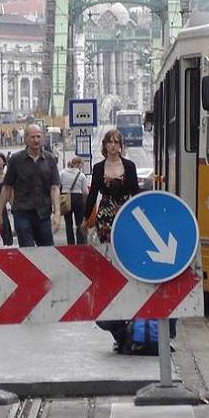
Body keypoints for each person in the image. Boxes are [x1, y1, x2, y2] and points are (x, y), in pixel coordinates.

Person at [85, 128, 141, 352]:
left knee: (126, 249)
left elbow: (136, 191)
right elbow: (93, 195)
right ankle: (111, 277)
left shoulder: (130, 166)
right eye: (110, 142)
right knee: (108, 252)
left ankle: (127, 274)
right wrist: (84, 218)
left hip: (126, 212)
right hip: (106, 214)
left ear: (121, 145)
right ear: (105, 145)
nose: (113, 146)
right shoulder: (98, 168)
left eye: (117, 142)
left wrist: (138, 215)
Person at [0, 124, 61, 246]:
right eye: (32, 137)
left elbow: (55, 187)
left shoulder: (50, 159)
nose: (36, 140)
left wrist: (57, 213)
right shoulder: (16, 160)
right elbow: (7, 187)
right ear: (25, 139)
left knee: (48, 252)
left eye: (38, 136)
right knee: (27, 250)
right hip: (22, 212)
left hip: (43, 213)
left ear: (42, 138)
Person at [59, 156, 89, 244]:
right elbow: (85, 191)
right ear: (79, 164)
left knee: (68, 223)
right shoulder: (81, 175)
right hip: (78, 198)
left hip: (65, 198)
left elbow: (58, 185)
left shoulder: (63, 173)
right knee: (79, 222)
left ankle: (70, 243)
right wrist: (85, 202)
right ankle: (80, 242)